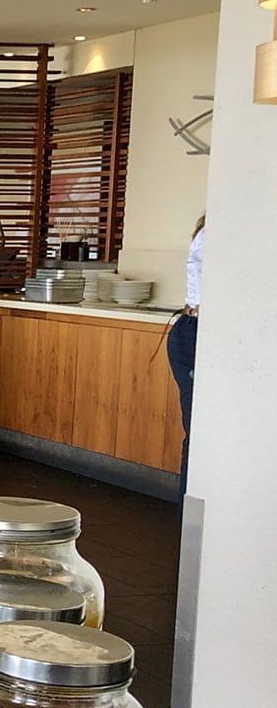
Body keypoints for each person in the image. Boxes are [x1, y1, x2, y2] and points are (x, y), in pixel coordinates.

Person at [166, 214, 203, 501]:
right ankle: (190, 518)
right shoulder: (214, 235)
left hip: (195, 330)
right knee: (199, 428)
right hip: (193, 333)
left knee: (200, 429)